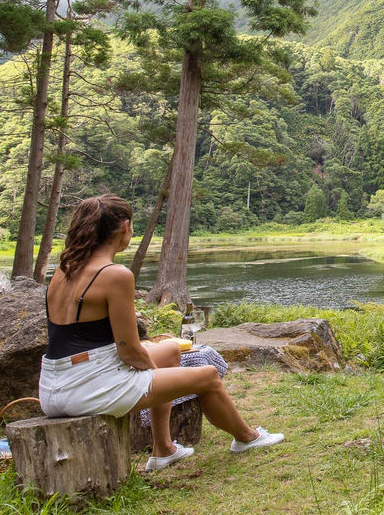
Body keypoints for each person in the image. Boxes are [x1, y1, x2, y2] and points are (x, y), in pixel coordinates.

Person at [40, 194, 285, 472]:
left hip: (55, 383)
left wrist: (156, 367)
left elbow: (86, 338)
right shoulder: (115, 275)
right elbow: (129, 351)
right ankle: (246, 437)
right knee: (206, 375)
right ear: (125, 228)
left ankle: (163, 450)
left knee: (169, 350)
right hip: (88, 388)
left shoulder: (64, 268)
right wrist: (157, 375)